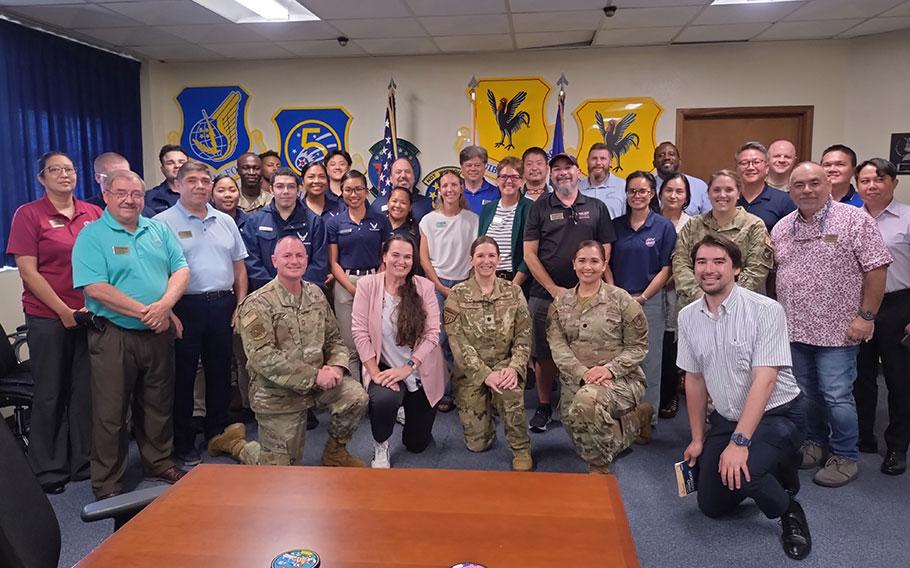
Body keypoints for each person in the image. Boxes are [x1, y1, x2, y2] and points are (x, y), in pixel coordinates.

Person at [678, 234, 810, 561]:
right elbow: (694, 379)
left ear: (736, 268)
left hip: (778, 414)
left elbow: (765, 380)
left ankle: (789, 510)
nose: (709, 269)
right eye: (702, 262)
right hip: (727, 416)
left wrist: (739, 444)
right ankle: (773, 467)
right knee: (711, 505)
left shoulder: (766, 310)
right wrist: (697, 439)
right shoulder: (688, 316)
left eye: (719, 262)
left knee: (744, 471)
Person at [772, 161, 891, 488]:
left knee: (837, 396)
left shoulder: (854, 220)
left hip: (839, 332)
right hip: (795, 330)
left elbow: (877, 269)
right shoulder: (782, 227)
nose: (807, 190)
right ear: (790, 190)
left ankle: (845, 454)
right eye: (799, 185)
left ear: (828, 184)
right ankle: (813, 443)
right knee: (805, 394)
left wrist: (866, 317)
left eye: (814, 183)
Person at [71, 169, 189, 500]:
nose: (129, 199)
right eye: (121, 193)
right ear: (106, 195)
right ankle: (107, 482)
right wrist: (147, 312)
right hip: (114, 334)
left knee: (157, 403)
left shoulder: (157, 229)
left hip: (157, 332)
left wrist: (164, 306)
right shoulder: (92, 236)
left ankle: (159, 462)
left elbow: (180, 268)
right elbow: (95, 287)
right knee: (111, 412)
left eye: (136, 194)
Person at [6, 151, 102, 495]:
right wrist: (63, 310)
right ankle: (49, 468)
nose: (65, 175)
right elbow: (28, 272)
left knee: (85, 392)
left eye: (70, 169)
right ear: (41, 178)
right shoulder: (28, 214)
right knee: (50, 391)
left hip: (89, 314)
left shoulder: (93, 213)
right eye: (55, 170)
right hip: (48, 316)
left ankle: (83, 462)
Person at [235, 236, 367, 467]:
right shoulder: (257, 303)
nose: (294, 261)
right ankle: (237, 446)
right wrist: (315, 375)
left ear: (306, 260)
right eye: (287, 256)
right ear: (274, 260)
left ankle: (335, 452)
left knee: (356, 397)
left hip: (317, 387)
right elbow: (263, 357)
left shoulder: (316, 294)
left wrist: (336, 367)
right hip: (276, 394)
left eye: (299, 255)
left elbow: (335, 339)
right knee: (280, 472)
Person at [154, 161, 250, 466]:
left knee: (220, 373)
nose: (199, 185)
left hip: (222, 304)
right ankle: (183, 442)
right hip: (184, 307)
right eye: (192, 180)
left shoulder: (225, 221)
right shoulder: (161, 223)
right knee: (182, 377)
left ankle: (217, 432)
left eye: (205, 180)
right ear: (178, 184)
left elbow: (238, 266)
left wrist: (241, 302)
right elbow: (156, 272)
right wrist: (168, 310)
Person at [523, 152, 616, 433]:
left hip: (588, 296)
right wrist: (554, 289)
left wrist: (589, 285)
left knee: (588, 350)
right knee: (543, 352)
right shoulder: (539, 208)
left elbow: (606, 249)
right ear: (551, 176)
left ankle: (583, 402)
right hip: (544, 294)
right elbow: (529, 254)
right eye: (557, 169)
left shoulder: (597, 207)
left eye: (569, 168)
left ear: (579, 173)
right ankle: (543, 405)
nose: (563, 173)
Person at [548, 241, 652, 473]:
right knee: (580, 435)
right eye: (582, 261)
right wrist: (582, 373)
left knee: (587, 407)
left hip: (619, 380)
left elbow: (638, 346)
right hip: (577, 380)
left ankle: (599, 466)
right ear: (573, 264)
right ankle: (636, 420)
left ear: (604, 265)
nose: (588, 267)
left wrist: (609, 370)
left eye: (595, 261)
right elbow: (557, 346)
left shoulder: (622, 300)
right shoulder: (560, 303)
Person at [351, 235, 446, 468]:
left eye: (407, 257)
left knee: (417, 444)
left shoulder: (424, 287)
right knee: (384, 400)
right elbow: (360, 332)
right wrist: (374, 373)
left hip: (418, 369)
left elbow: (433, 333)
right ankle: (381, 444)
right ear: (384, 257)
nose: (401, 261)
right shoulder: (367, 286)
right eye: (395, 255)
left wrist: (408, 367)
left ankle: (406, 411)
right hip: (383, 368)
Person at [444, 236, 533, 471]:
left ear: (499, 259)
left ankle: (521, 447)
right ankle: (487, 412)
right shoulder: (457, 295)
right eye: (480, 256)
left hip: (505, 366)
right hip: (471, 373)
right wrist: (485, 374)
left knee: (510, 391)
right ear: (471, 260)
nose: (486, 261)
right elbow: (458, 343)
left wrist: (514, 367)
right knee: (477, 445)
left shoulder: (513, 292)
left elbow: (524, 335)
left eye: (491, 256)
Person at [609, 172, 677, 441]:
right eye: (632, 191)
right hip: (616, 301)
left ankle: (646, 418)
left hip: (649, 301)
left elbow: (666, 268)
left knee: (650, 361)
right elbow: (605, 262)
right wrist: (616, 293)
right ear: (626, 194)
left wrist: (644, 297)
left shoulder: (663, 227)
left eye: (643, 191)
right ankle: (619, 414)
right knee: (616, 359)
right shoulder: (615, 226)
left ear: (652, 194)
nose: (637, 196)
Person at [854, 159, 909, 475]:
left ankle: (898, 447)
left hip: (899, 305)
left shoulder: (907, 218)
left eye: (879, 179)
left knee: (899, 379)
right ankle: (863, 437)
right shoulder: (850, 219)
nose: (871, 186)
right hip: (858, 306)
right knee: (860, 376)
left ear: (893, 183)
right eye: (864, 180)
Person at [419, 170, 479, 412]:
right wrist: (440, 286)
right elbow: (424, 259)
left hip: (465, 283)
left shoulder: (473, 220)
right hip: (437, 284)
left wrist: (467, 285)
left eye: (455, 184)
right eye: (445, 185)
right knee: (440, 339)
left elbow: (476, 254)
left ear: (461, 188)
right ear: (439, 190)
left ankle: (465, 390)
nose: (450, 189)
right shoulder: (428, 221)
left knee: (465, 339)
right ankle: (444, 392)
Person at [672, 169, 773, 312]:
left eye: (729, 190)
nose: (722, 195)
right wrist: (699, 295)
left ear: (739, 193)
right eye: (716, 190)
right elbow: (680, 264)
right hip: (694, 307)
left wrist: (725, 298)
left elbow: (756, 270)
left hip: (738, 308)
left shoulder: (753, 226)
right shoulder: (693, 225)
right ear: (708, 194)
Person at [327, 170, 391, 384]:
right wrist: (354, 289)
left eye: (358, 189)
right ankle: (357, 394)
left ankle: (380, 387)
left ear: (366, 191)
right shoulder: (335, 223)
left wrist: (376, 283)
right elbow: (333, 262)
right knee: (350, 343)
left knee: (378, 340)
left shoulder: (381, 221)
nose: (353, 194)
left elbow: (385, 257)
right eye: (348, 190)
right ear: (342, 192)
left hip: (375, 281)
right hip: (346, 284)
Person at [241, 168, 327, 291]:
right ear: (271, 189)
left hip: (305, 296)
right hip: (265, 296)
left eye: (291, 187)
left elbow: (319, 263)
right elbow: (252, 262)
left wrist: (299, 290)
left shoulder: (314, 222)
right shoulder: (255, 222)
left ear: (299, 189)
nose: (285, 191)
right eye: (279, 186)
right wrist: (273, 291)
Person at [211, 172, 252, 410]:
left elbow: (243, 266)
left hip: (240, 296)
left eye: (232, 190)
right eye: (221, 190)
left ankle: (247, 405)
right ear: (212, 194)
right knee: (212, 361)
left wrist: (241, 302)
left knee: (243, 356)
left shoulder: (250, 221)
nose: (228, 195)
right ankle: (207, 411)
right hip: (206, 300)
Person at [478, 156, 531, 286]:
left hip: (516, 282)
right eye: (503, 177)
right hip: (488, 281)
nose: (508, 181)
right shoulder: (488, 209)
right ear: (497, 180)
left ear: (522, 181)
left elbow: (531, 253)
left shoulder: (530, 209)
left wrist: (514, 286)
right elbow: (480, 245)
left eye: (514, 177)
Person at [735, 141, 796, 231]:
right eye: (744, 163)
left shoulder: (785, 200)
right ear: (737, 168)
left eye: (756, 162)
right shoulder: (729, 198)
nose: (750, 167)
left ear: (767, 168)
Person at [87, 152, 156, 217]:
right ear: (98, 178)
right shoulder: (88, 211)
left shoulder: (145, 213)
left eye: (127, 175)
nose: (122, 181)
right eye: (114, 176)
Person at [652, 141, 711, 215]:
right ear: (654, 163)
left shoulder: (700, 186)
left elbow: (709, 219)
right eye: (661, 155)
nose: (666, 158)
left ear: (679, 161)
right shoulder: (647, 187)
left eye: (671, 154)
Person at [369, 157, 434, 222]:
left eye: (407, 172)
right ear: (391, 179)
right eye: (398, 172)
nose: (403, 175)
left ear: (413, 177)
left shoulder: (426, 205)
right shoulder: (377, 206)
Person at [579, 143, 627, 219]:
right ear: (587, 161)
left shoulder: (623, 186)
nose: (598, 162)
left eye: (603, 158)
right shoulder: (578, 188)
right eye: (594, 158)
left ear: (610, 162)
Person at [144, 144, 188, 215]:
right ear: (162, 169)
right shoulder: (149, 197)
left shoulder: (202, 193)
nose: (177, 166)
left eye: (181, 162)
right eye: (170, 163)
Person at [459, 145, 500, 215]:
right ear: (462, 167)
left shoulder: (496, 193)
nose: (473, 169)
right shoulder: (454, 192)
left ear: (485, 167)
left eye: (477, 165)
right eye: (469, 165)